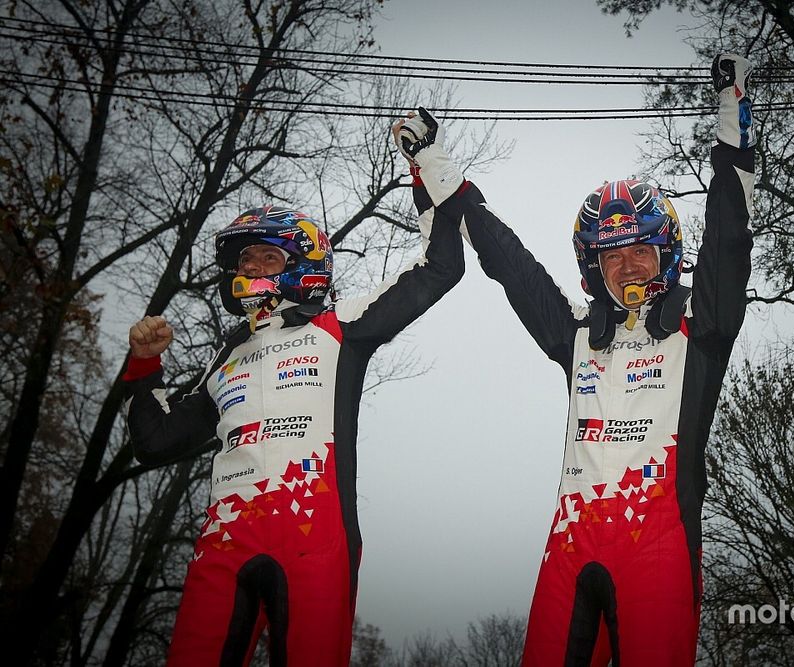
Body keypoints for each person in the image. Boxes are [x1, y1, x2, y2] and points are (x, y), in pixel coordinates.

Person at [397, 54, 756, 665]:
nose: (628, 265)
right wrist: (432, 161)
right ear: (595, 268)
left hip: (659, 552)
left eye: (640, 249)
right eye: (611, 256)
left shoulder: (703, 325)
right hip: (569, 550)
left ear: (665, 254)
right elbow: (511, 265)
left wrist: (732, 108)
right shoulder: (579, 334)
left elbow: (728, 230)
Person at [123, 118, 464, 665]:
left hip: (314, 539)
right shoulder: (225, 356)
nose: (249, 267)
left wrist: (425, 166)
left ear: (303, 267)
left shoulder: (340, 326)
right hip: (224, 544)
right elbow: (155, 442)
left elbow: (441, 267)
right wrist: (144, 366)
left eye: (268, 257)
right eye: (243, 259)